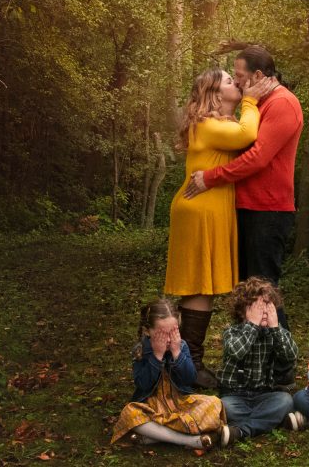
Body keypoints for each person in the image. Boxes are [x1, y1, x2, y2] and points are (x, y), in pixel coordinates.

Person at [184, 46, 304, 388]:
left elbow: (257, 158)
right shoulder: (256, 103)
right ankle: (255, 365)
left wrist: (211, 177)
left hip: (269, 209)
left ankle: (282, 373)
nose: (235, 80)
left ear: (258, 77)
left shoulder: (282, 104)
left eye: (238, 75)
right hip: (247, 206)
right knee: (249, 291)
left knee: (265, 290)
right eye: (232, 77)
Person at [164, 69, 276, 389]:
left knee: (203, 287)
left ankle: (183, 362)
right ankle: (189, 365)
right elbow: (247, 135)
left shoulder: (215, 125)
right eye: (229, 81)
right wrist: (252, 100)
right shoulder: (208, 125)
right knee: (200, 286)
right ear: (214, 93)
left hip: (209, 209)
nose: (235, 84)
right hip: (199, 211)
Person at [110, 299, 228, 449]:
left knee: (215, 403)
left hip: (181, 403)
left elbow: (190, 378)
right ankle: (189, 441)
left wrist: (177, 353)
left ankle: (154, 437)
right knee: (130, 413)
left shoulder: (180, 345)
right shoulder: (140, 350)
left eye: (173, 332)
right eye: (161, 334)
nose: (168, 339)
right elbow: (143, 384)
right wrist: (157, 356)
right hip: (152, 406)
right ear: (147, 331)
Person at [217, 277, 298, 444]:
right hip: (234, 396)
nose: (264, 312)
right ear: (241, 311)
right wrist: (252, 325)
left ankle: (241, 430)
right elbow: (236, 352)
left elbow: (290, 356)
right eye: (257, 307)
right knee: (224, 408)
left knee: (286, 401)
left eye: (267, 306)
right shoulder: (232, 332)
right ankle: (268, 421)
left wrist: (275, 328)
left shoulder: (275, 331)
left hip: (264, 394)